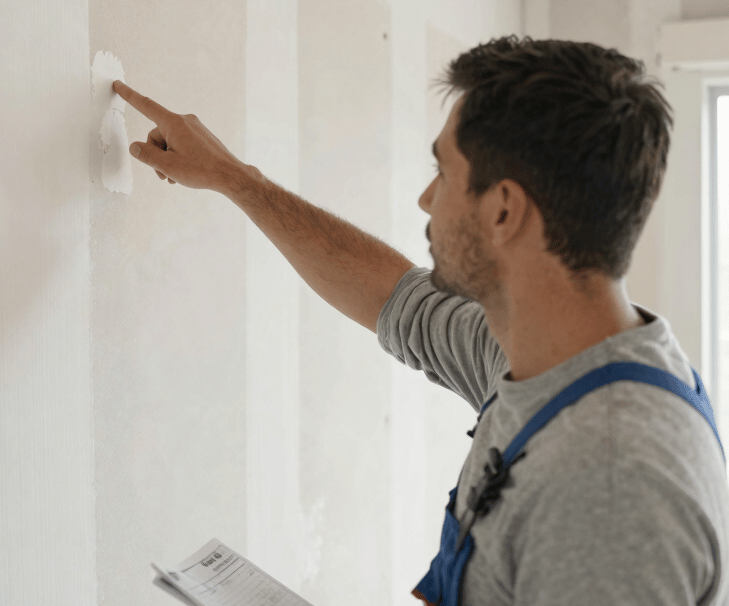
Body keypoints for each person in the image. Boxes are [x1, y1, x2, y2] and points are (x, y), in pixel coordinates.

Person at [113, 35, 729, 606]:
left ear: (504, 210)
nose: (426, 199)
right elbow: (393, 296)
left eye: (444, 173)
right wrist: (235, 179)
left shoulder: (609, 486)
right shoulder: (540, 357)